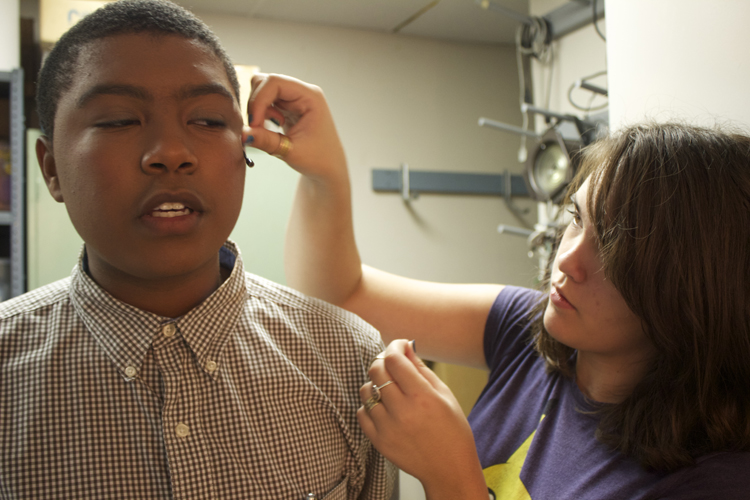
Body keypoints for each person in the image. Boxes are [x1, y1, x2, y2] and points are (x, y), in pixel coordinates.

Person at [244, 73, 750, 499]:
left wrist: (451, 477)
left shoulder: (717, 479)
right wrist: (325, 172)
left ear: (695, 290)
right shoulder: (529, 329)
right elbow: (339, 292)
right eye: (576, 220)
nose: (566, 261)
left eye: (614, 252)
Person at [0, 1, 396, 498]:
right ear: (51, 168)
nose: (171, 152)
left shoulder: (348, 359)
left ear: (246, 148)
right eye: (120, 120)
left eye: (208, 121)